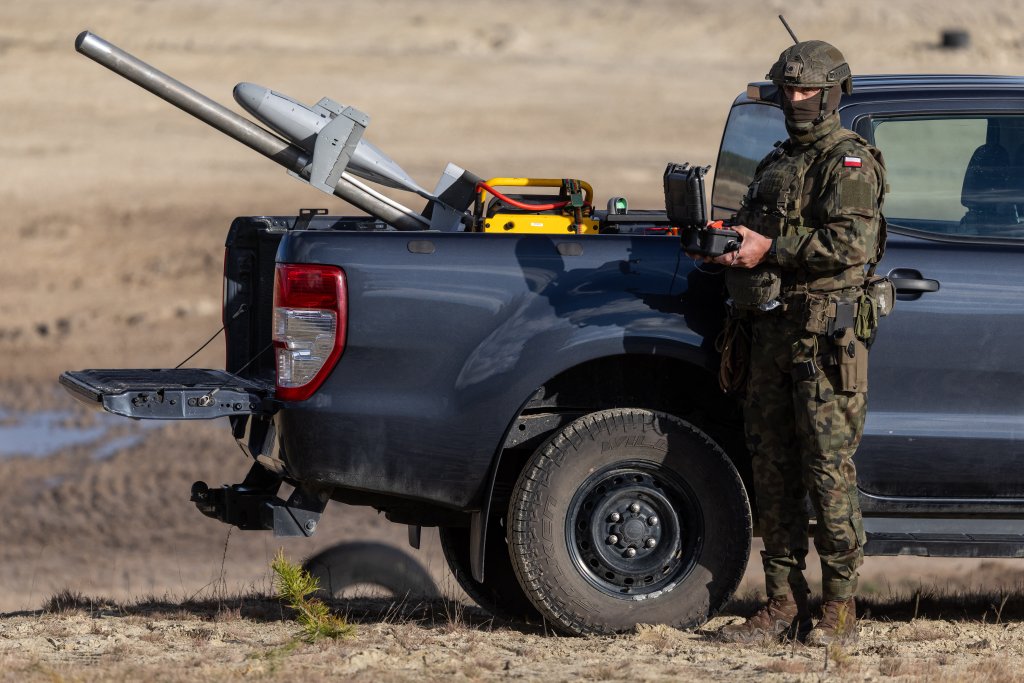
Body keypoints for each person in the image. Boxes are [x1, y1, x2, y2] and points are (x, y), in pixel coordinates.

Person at [712, 40, 887, 646]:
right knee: (773, 473)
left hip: (824, 342)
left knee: (827, 473)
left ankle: (840, 610)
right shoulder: (777, 161)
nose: (795, 99)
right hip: (768, 336)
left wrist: (772, 248)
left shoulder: (849, 164)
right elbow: (759, 232)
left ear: (834, 92)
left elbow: (851, 248)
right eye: (787, 88)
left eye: (807, 89)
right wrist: (728, 245)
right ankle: (781, 602)